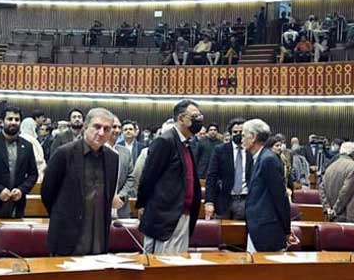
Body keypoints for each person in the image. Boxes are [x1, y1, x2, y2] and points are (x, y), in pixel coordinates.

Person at [41, 108, 118, 256]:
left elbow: (108, 196)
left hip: (99, 237)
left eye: (107, 129)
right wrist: (64, 216)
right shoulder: (64, 153)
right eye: (97, 127)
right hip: (67, 236)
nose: (101, 133)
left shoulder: (113, 158)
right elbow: (48, 193)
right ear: (85, 127)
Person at [137, 100, 202, 254]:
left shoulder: (186, 143)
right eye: (194, 116)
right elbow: (148, 177)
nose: (199, 120)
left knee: (177, 269)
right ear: (181, 119)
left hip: (182, 215)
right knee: (162, 268)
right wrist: (141, 204)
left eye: (200, 116)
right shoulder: (165, 141)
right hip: (165, 217)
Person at [242, 119, 294, 253]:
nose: (241, 139)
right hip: (258, 227)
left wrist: (286, 230)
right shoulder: (258, 158)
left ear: (253, 137)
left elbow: (280, 198)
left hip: (267, 230)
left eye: (243, 135)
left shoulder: (268, 160)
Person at [0, 106, 38, 218]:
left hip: (17, 204)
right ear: (2, 122)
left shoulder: (27, 145)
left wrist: (22, 190)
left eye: (17, 119)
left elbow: (33, 174)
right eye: (10, 119)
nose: (13, 122)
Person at [205, 119, 251, 220]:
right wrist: (209, 202)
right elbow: (211, 176)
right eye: (235, 132)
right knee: (221, 233)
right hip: (224, 199)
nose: (238, 134)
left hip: (245, 200)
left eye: (241, 132)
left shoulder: (251, 151)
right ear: (230, 134)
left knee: (240, 234)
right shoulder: (220, 150)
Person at [318, 142, 354, 224]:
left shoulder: (330, 168)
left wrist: (327, 209)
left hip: (333, 217)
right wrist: (335, 210)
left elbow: (321, 189)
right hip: (349, 217)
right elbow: (346, 191)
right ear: (353, 154)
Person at [107, 117, 135, 219]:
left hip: (121, 207)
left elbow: (131, 177)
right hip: (101, 207)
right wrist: (109, 198)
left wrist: (121, 195)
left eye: (119, 127)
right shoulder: (98, 150)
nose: (117, 130)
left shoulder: (125, 152)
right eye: (114, 127)